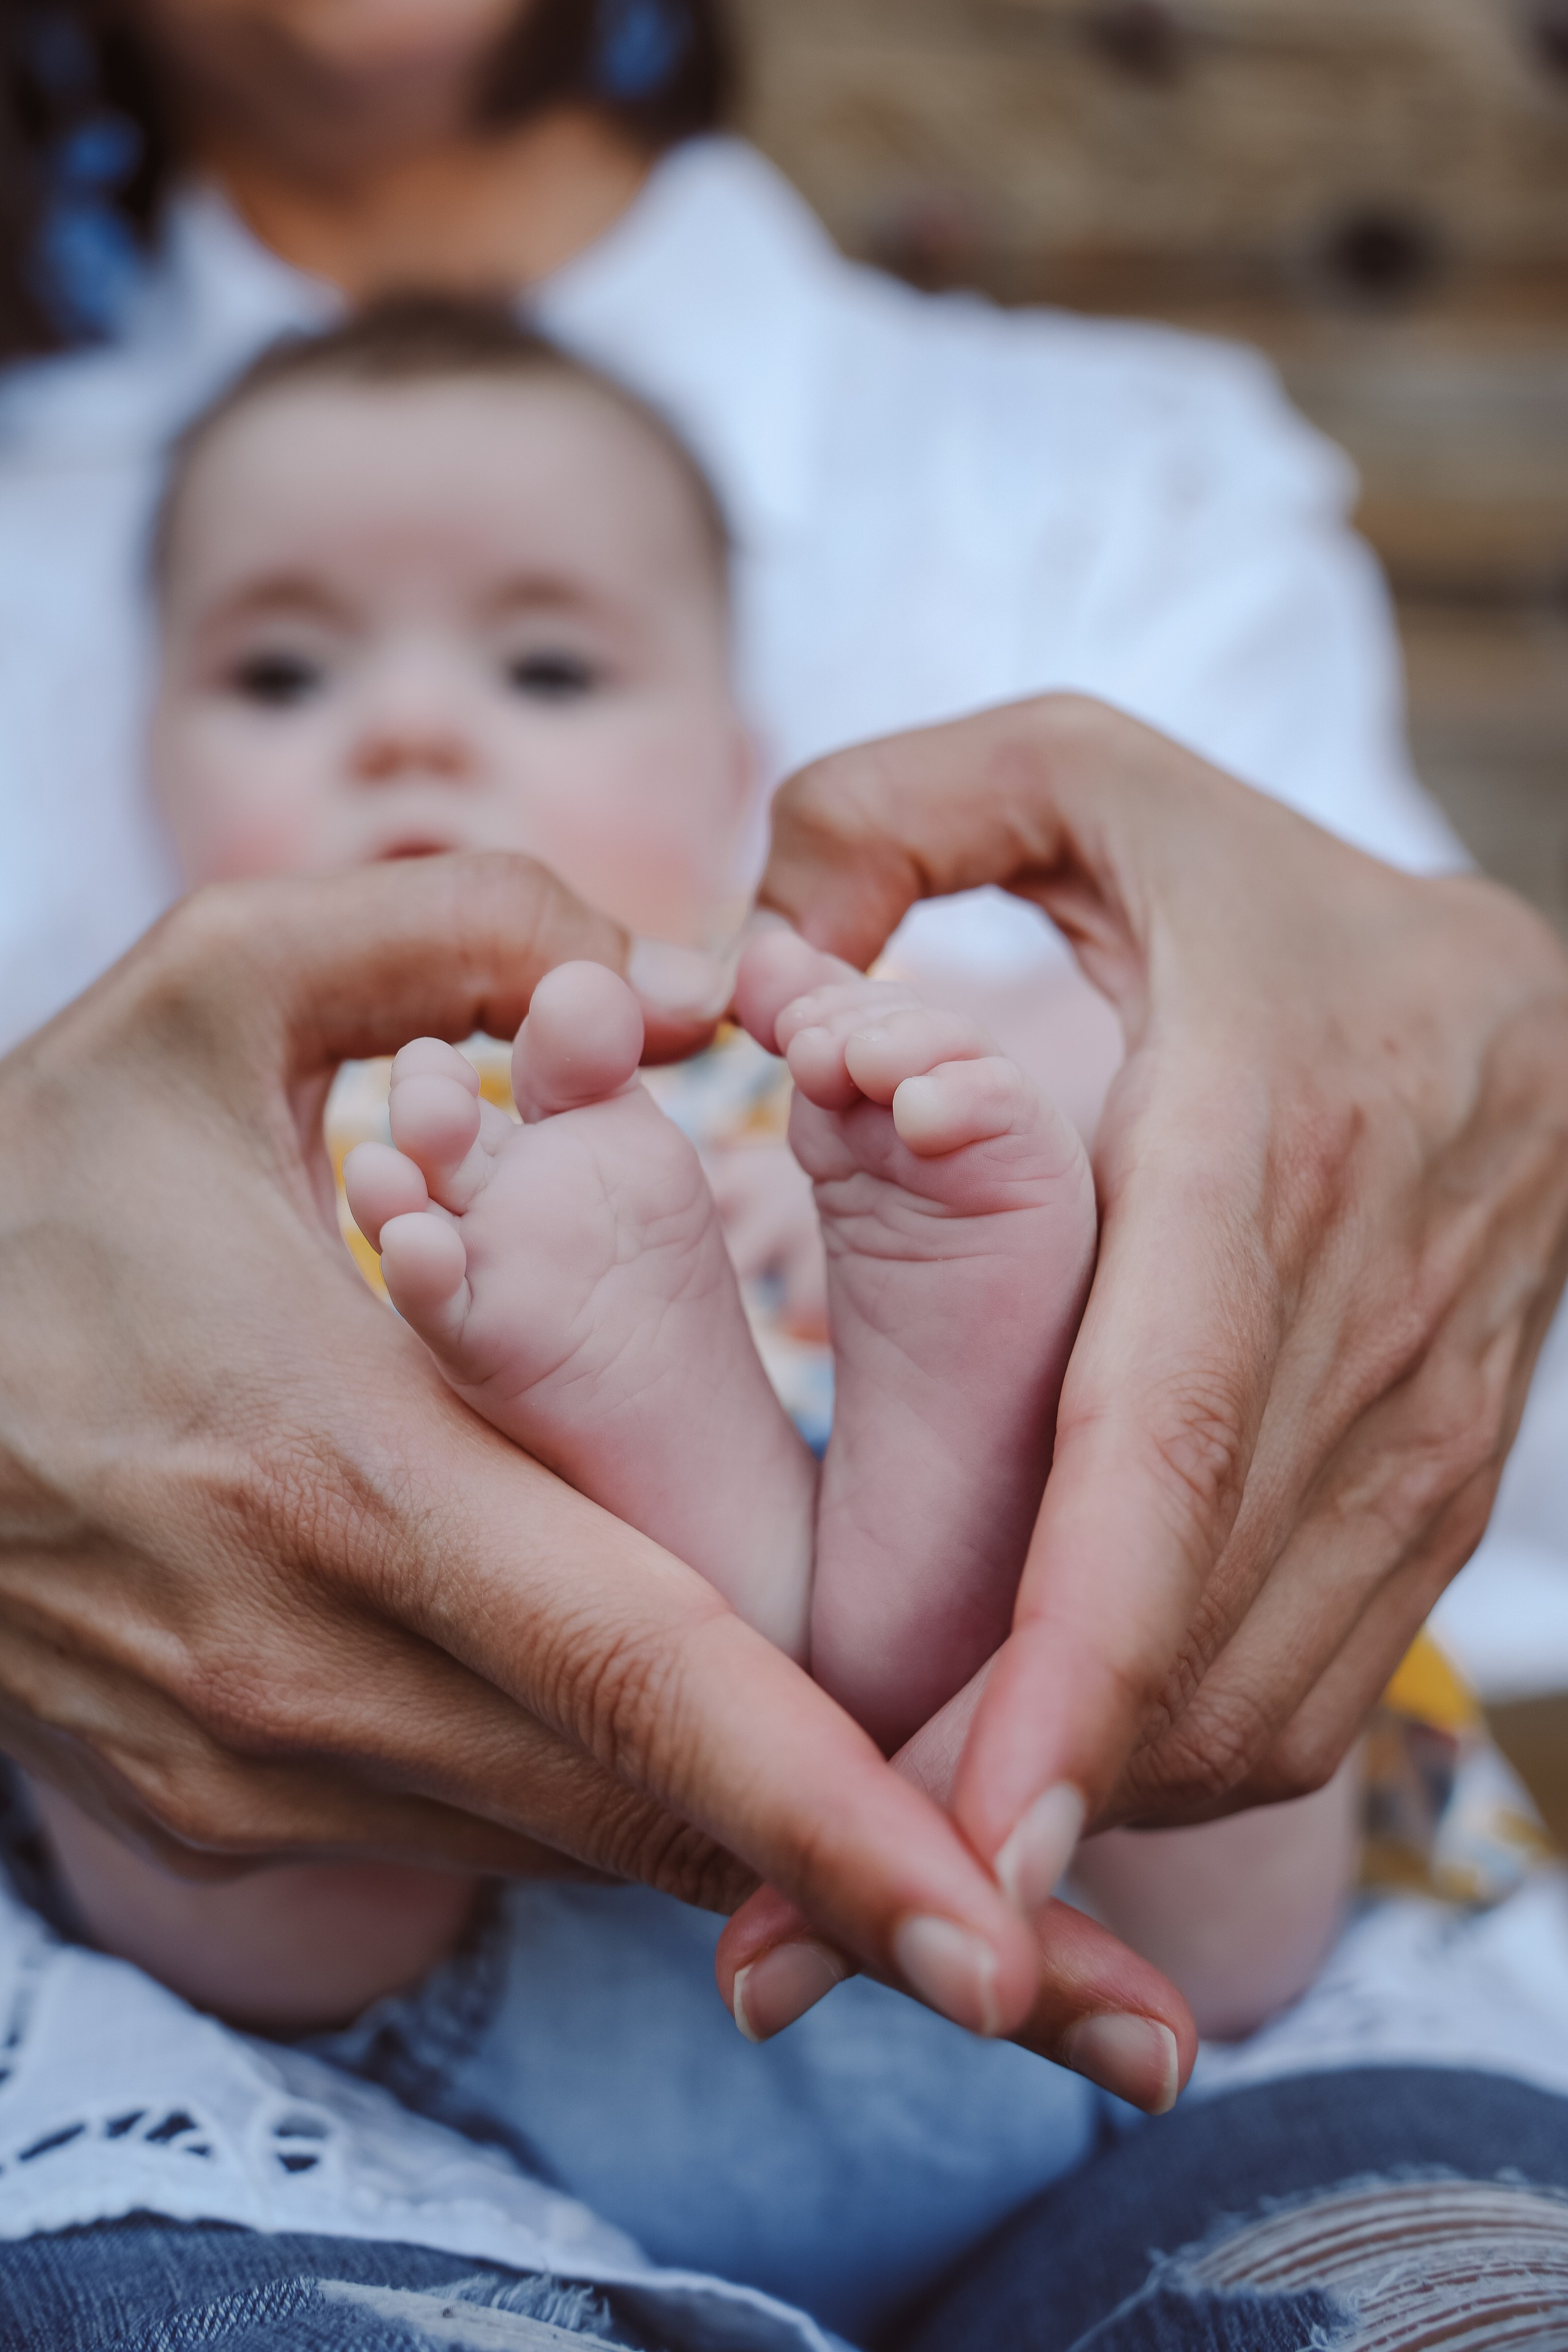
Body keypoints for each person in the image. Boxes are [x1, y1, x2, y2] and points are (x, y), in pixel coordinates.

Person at [3, 3, 1568, 2345]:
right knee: (193, 1790)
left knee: (1211, 1588)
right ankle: (709, 1510)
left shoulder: (847, 1047)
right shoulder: (203, 1140)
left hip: (1111, 1909)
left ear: (742, 756)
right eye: (283, 678)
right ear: (136, 752)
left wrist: (1114, 1088)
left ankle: (920, 1512)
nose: (415, 724)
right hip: (394, 2010)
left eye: (546, 669)